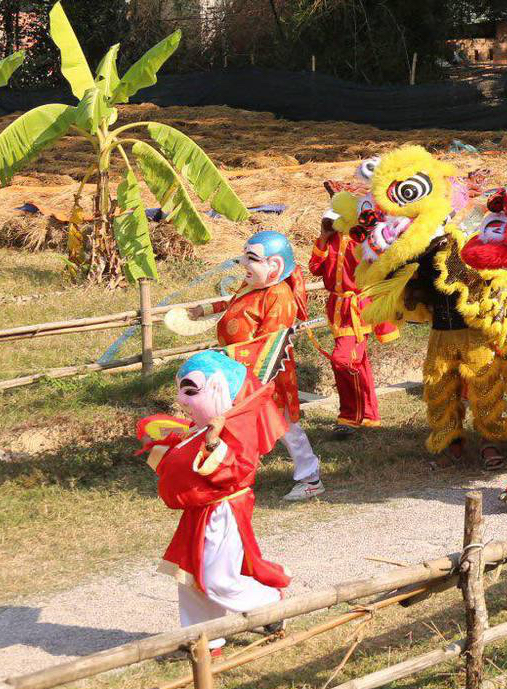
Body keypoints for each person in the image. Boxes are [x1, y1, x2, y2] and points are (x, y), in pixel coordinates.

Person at [139, 350, 291, 653]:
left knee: (217, 578)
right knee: (191, 579)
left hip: (225, 511)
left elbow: (235, 472)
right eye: (181, 390)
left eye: (191, 391)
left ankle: (270, 604)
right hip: (199, 512)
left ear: (220, 389)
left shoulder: (238, 428)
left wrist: (212, 443)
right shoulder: (204, 427)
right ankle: (205, 639)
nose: (182, 400)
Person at [216, 231, 322, 501]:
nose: (242, 263)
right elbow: (234, 305)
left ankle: (310, 479)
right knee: (235, 426)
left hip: (268, 374)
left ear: (274, 266)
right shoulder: (253, 286)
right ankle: (231, 478)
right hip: (240, 372)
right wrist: (204, 312)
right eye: (244, 255)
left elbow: (270, 343)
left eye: (251, 258)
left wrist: (231, 356)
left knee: (286, 427)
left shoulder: (278, 296)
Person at [308, 192, 389, 434]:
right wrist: (323, 237)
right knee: (358, 362)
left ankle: (349, 416)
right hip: (337, 309)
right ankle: (368, 415)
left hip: (357, 309)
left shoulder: (361, 239)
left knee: (344, 360)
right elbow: (314, 268)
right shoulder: (329, 240)